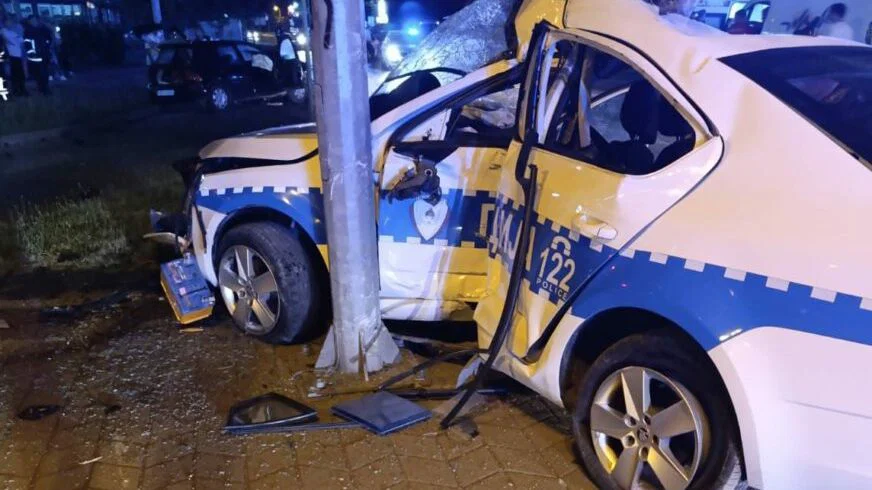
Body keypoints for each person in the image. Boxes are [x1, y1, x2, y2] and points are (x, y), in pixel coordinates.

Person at [24, 15, 51, 95]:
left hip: (44, 53)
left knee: (45, 71)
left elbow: (49, 39)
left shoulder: (43, 29)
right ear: (29, 21)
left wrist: (47, 46)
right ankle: (42, 88)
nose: (34, 22)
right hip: (35, 55)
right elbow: (27, 43)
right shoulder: (28, 31)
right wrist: (31, 52)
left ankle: (45, 88)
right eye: (32, 20)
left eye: (35, 20)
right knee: (39, 73)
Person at [1, 15, 27, 96]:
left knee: (20, 73)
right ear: (5, 23)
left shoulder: (14, 32)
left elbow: (21, 42)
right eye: (8, 22)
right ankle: (16, 90)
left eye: (10, 21)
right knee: (14, 74)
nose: (10, 23)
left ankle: (22, 89)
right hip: (11, 55)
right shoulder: (3, 31)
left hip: (19, 55)